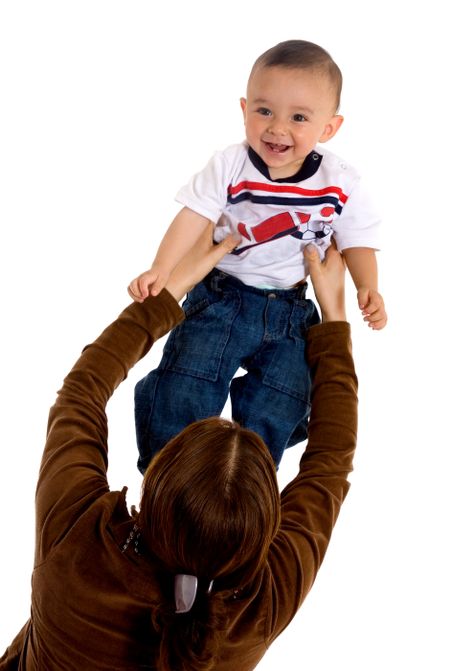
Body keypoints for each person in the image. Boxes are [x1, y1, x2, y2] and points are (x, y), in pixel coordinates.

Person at [1, 229, 357, 671]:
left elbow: (79, 396)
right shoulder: (265, 602)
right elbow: (330, 467)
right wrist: (335, 320)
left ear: (155, 481)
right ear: (268, 523)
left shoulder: (77, 539)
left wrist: (168, 293)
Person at [128, 39, 386, 471]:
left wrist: (368, 286)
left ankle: (248, 482)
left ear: (329, 127)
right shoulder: (230, 164)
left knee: (284, 397)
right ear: (245, 108)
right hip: (222, 296)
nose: (277, 128)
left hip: (290, 309)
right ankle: (166, 474)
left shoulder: (340, 180)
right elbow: (193, 217)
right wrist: (162, 267)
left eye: (299, 118)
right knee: (185, 385)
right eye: (264, 111)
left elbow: (357, 238)